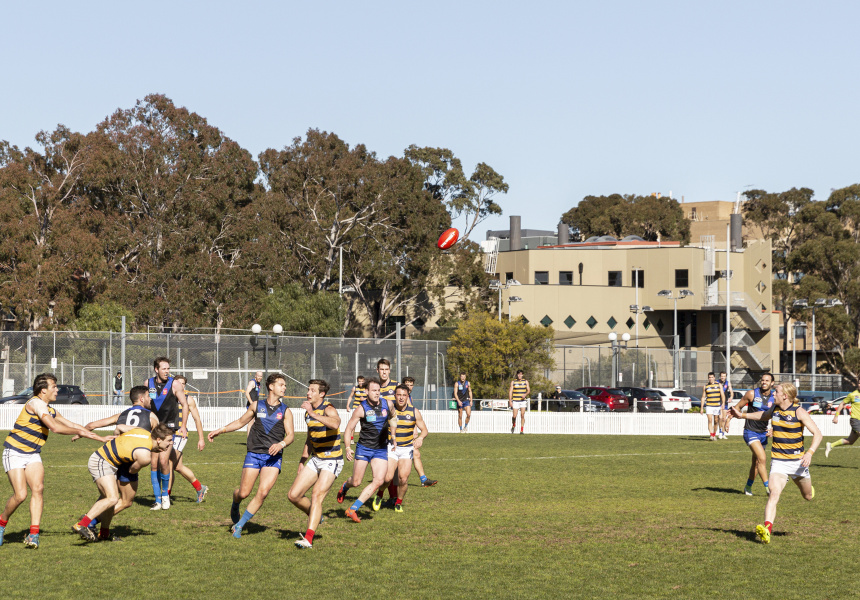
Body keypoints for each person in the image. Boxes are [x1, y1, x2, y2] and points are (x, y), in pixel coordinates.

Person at [1, 373, 110, 549]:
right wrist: (81, 432)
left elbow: (71, 425)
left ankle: (34, 535)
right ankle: (1, 523)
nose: (57, 390)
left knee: (38, 489)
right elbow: (55, 427)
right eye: (54, 386)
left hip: (32, 454)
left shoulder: (49, 409)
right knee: (20, 495)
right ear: (43, 390)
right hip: (14, 452)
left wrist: (100, 438)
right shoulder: (36, 403)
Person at [730, 381, 822, 544]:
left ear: (785, 396)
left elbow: (818, 434)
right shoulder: (774, 409)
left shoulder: (799, 412)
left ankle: (808, 490)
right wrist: (741, 415)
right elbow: (762, 415)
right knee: (774, 494)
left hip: (798, 463)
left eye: (776, 391)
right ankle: (767, 530)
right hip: (779, 462)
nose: (773, 393)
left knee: (807, 496)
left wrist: (809, 453)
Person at [207, 373, 294, 538]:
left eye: (284, 385)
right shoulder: (256, 405)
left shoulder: (286, 411)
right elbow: (240, 422)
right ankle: (235, 503)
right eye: (281, 384)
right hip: (254, 454)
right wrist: (220, 430)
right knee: (243, 493)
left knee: (263, 492)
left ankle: (239, 525)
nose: (284, 387)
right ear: (271, 386)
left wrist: (281, 444)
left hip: (273, 458)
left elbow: (290, 435)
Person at [72, 423, 174, 542]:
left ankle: (104, 533)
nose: (171, 443)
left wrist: (119, 444)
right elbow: (131, 470)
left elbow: (120, 428)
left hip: (111, 463)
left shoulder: (144, 432)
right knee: (112, 498)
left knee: (113, 500)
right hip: (101, 461)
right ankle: (82, 524)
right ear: (158, 439)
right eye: (169, 440)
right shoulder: (145, 456)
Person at [287, 379, 343, 549]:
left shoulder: (328, 408)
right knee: (293, 495)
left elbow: (336, 423)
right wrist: (302, 460)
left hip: (332, 460)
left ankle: (308, 539)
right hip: (316, 459)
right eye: (308, 389)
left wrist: (313, 413)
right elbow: (309, 438)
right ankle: (316, 515)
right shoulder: (309, 412)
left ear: (322, 394)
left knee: (316, 495)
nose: (308, 393)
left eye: (312, 390)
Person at [336, 378, 398, 522]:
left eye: (378, 390)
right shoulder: (361, 409)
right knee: (356, 482)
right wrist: (347, 447)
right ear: (366, 391)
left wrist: (393, 436)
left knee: (379, 481)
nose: (377, 393)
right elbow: (348, 429)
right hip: (364, 448)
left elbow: (394, 417)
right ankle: (345, 486)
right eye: (374, 391)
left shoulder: (387, 404)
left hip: (380, 449)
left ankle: (353, 509)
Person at [144, 356, 190, 510]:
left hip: (169, 429)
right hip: (153, 429)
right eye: (164, 369)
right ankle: (157, 500)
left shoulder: (175, 384)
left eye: (168, 369)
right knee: (154, 464)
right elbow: (145, 405)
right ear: (156, 369)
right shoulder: (148, 383)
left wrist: (183, 425)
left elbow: (184, 404)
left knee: (164, 461)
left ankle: (165, 496)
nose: (167, 371)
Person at [725, 373, 776, 496]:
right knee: (762, 459)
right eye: (762, 380)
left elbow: (777, 415)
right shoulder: (752, 394)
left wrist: (773, 428)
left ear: (772, 383)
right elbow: (737, 408)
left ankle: (748, 487)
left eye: (767, 380)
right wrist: (728, 420)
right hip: (750, 431)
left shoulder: (775, 398)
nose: (764, 382)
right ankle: (769, 489)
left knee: (756, 463)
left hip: (763, 434)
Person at [385, 384, 429, 513]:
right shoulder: (389, 409)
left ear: (408, 396)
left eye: (404, 395)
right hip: (391, 447)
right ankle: (380, 495)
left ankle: (398, 502)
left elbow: (424, 430)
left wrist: (420, 438)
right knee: (387, 478)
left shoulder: (414, 411)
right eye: (399, 395)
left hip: (406, 449)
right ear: (395, 396)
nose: (401, 398)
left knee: (403, 479)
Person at [167, 375, 208, 503]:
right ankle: (200, 487)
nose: (181, 385)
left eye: (183, 384)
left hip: (180, 435)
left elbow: (197, 419)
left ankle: (166, 496)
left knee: (169, 463)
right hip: (168, 435)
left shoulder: (188, 399)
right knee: (178, 466)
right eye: (178, 383)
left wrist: (201, 439)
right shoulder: (168, 398)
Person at [403, 376, 437, 487]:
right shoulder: (403, 397)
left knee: (416, 453)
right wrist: (414, 430)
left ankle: (424, 480)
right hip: (400, 433)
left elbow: (410, 415)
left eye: (411, 385)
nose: (409, 387)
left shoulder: (409, 397)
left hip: (406, 432)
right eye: (407, 385)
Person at [825, 385, 860, 457]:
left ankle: (830, 445)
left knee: (850, 441)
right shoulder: (853, 395)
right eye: (859, 383)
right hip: (855, 420)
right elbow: (842, 404)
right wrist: (836, 416)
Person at [701, 372, 725, 441]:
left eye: (712, 377)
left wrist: (723, 403)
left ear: (714, 378)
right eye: (709, 377)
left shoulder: (719, 385)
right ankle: (711, 435)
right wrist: (701, 408)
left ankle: (714, 433)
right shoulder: (706, 386)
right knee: (710, 420)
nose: (710, 379)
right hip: (709, 405)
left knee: (716, 421)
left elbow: (722, 395)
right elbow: (703, 397)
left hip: (717, 406)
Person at [508, 370, 530, 434]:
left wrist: (525, 394)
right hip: (515, 401)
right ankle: (513, 425)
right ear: (517, 375)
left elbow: (528, 390)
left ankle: (521, 430)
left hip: (523, 401)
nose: (519, 375)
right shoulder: (513, 382)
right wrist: (510, 401)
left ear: (522, 375)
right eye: (518, 374)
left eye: (521, 374)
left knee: (522, 415)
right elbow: (510, 392)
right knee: (514, 416)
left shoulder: (525, 381)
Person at [718, 371, 733, 438]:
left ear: (726, 377)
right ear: (720, 376)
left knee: (724, 419)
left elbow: (731, 391)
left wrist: (731, 397)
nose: (722, 377)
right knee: (720, 418)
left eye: (724, 376)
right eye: (722, 376)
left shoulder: (728, 383)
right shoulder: (717, 382)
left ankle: (723, 433)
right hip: (719, 401)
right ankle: (720, 432)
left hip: (725, 402)